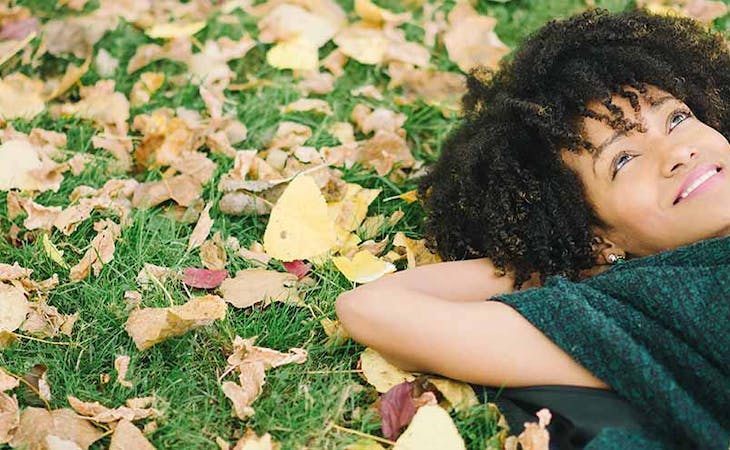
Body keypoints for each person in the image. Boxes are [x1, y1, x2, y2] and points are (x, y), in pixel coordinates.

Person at [335, 8, 730, 450]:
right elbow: (373, 308)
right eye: (622, 160)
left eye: (675, 118)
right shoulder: (636, 313)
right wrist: (564, 260)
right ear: (602, 238)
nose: (676, 152)